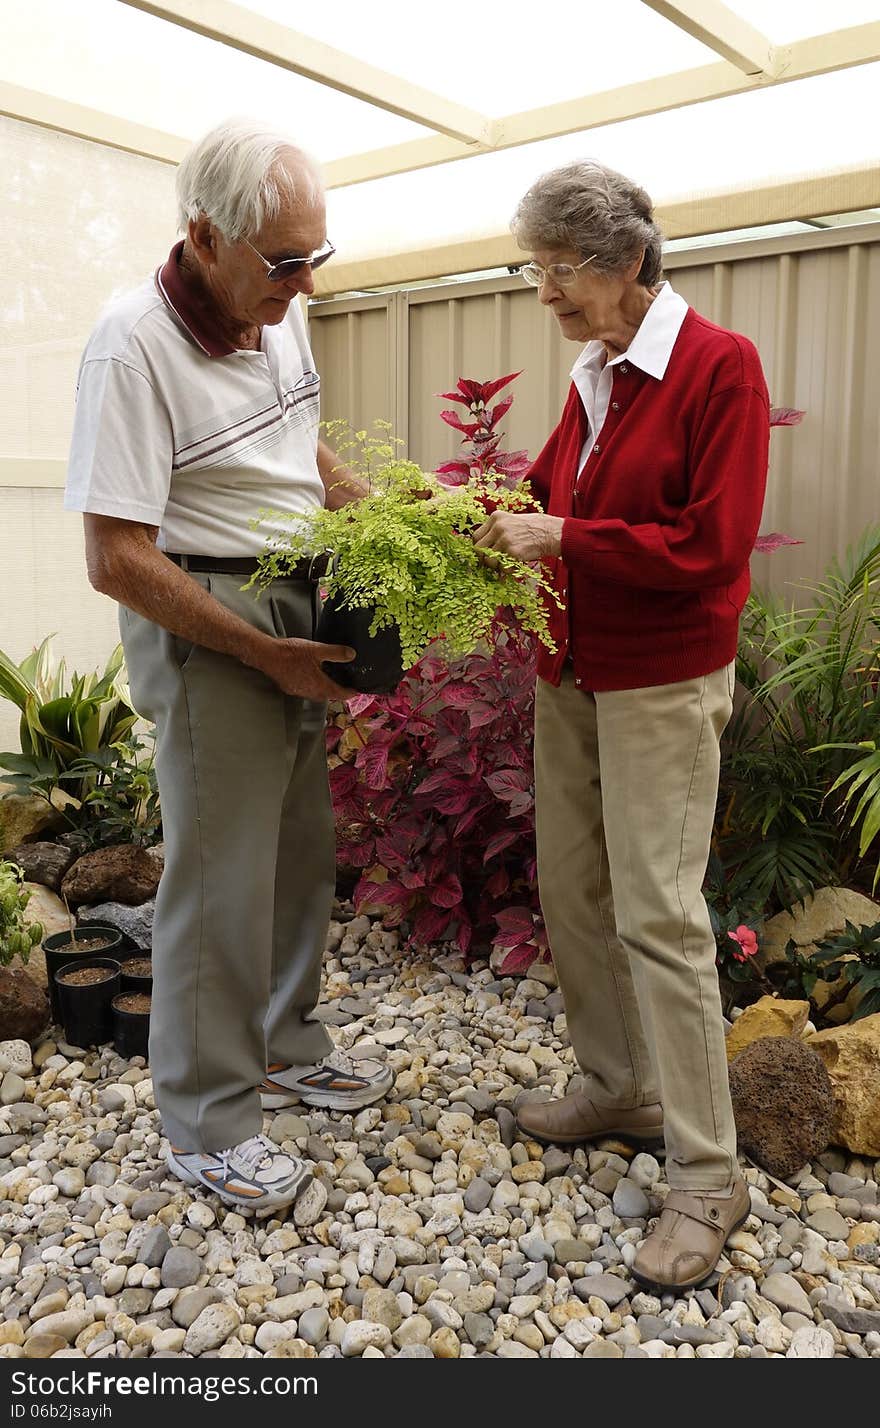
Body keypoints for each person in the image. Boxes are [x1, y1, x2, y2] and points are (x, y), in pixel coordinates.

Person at [65, 119, 393, 1213]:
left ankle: (286, 1045)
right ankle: (205, 1121)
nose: (302, 285)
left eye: (317, 258)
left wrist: (386, 517)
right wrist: (261, 650)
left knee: (299, 851)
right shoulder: (132, 344)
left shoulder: (273, 315)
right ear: (205, 236)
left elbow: (297, 448)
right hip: (213, 623)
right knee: (219, 878)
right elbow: (115, 556)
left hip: (297, 602)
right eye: (283, 261)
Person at [473, 159, 770, 1289]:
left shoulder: (716, 369)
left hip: (660, 681)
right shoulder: (594, 370)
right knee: (574, 890)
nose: (541, 293)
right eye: (534, 268)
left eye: (555, 272)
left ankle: (707, 1175)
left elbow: (712, 547)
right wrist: (466, 514)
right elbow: (546, 495)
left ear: (625, 263)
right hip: (573, 669)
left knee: (657, 911)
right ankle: (615, 1089)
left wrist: (564, 542)